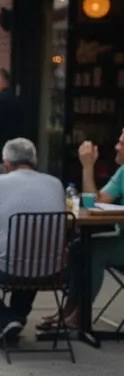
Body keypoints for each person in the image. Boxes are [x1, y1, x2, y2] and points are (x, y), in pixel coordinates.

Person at [0, 138, 65, 343]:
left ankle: (4, 319)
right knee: (33, 255)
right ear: (34, 160)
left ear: (6, 163)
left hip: (9, 268)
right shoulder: (56, 183)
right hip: (52, 270)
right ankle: (17, 317)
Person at [38, 129, 124, 332]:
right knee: (79, 246)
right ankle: (69, 310)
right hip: (121, 237)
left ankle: (81, 316)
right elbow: (95, 201)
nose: (116, 147)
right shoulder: (122, 171)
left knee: (93, 252)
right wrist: (88, 167)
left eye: (121, 143)